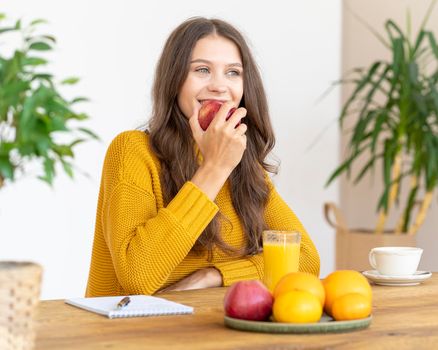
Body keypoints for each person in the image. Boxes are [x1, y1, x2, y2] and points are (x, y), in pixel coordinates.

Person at [86, 17, 320, 297]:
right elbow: (138, 275)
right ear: (174, 81)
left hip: (209, 330)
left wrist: (214, 276)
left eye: (233, 73)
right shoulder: (133, 150)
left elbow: (304, 258)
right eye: (202, 70)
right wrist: (215, 168)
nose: (220, 86)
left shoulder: (243, 163)